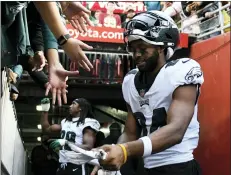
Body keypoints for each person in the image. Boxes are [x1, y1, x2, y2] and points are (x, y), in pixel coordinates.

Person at [98, 11, 204, 175]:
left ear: (161, 47)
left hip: (179, 167)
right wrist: (113, 152)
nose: (137, 54)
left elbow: (176, 130)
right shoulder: (130, 81)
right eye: (133, 49)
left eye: (143, 48)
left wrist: (124, 150)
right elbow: (130, 132)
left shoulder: (182, 69)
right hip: (146, 168)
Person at [40, 97, 100, 175]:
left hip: (77, 164)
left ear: (80, 108)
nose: (70, 106)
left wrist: (66, 143)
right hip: (62, 164)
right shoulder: (65, 122)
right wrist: (45, 111)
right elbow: (46, 129)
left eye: (73, 104)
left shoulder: (87, 123)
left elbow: (88, 147)